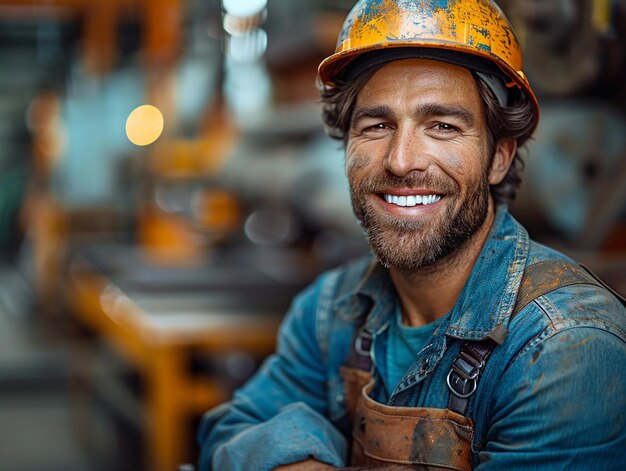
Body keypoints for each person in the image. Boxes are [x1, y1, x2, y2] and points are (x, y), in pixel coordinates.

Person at [197, 1, 626, 469]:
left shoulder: (565, 349)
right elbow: (231, 430)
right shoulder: (331, 311)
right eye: (377, 126)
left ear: (499, 156)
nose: (401, 161)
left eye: (442, 126)